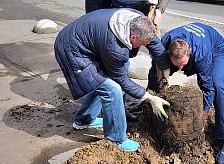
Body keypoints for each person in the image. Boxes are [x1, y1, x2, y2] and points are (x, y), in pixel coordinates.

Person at [54, 8, 171, 151]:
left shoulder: (139, 21)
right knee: (112, 88)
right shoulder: (115, 48)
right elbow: (120, 79)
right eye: (142, 44)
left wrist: (165, 69)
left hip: (87, 42)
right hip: (72, 51)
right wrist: (149, 98)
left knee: (106, 78)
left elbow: (153, 43)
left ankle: (85, 119)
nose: (145, 46)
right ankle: (116, 139)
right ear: (133, 37)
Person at [148, 23, 224, 164]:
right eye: (178, 65)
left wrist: (202, 116)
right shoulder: (165, 43)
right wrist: (151, 96)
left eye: (183, 65)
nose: (181, 69)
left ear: (189, 53)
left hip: (214, 46)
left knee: (217, 86)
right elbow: (156, 70)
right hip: (185, 48)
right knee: (160, 76)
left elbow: (207, 89)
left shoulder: (201, 55)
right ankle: (153, 115)